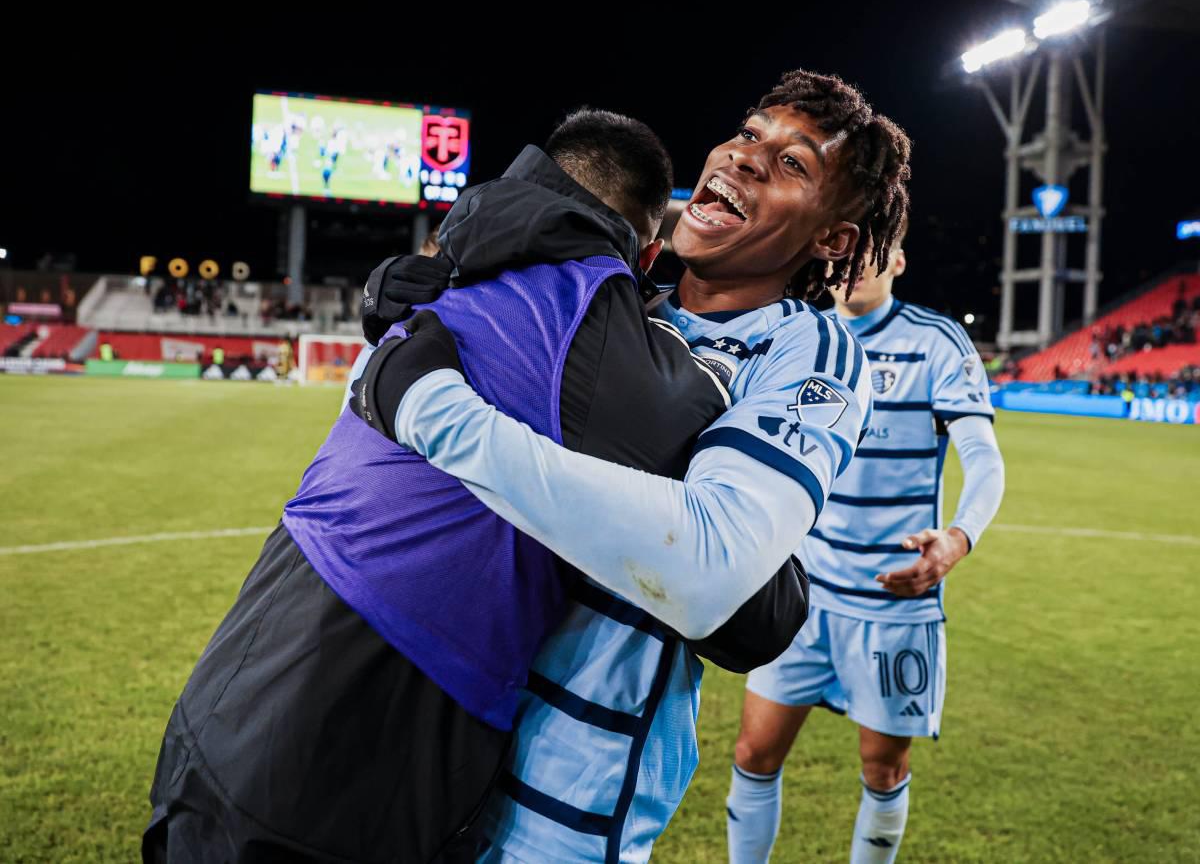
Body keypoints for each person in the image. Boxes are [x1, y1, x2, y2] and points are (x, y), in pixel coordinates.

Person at [143, 109, 800, 864]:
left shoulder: (454, 262)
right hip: (359, 715)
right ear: (646, 251)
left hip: (242, 663)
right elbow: (753, 614)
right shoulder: (590, 321)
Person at [353, 68, 911, 862]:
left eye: (794, 164)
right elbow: (383, 401)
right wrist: (414, 317)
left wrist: (439, 415)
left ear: (833, 239)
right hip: (424, 732)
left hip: (560, 803)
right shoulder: (611, 291)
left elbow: (710, 566)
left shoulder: (807, 352)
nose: (748, 157)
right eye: (750, 134)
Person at [724, 226, 1006, 864]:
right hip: (800, 592)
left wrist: (958, 538)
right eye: (846, 253)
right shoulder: (803, 334)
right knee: (753, 753)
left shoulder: (936, 342)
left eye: (873, 253)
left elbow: (983, 460)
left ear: (898, 261)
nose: (854, 266)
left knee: (883, 768)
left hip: (893, 602)